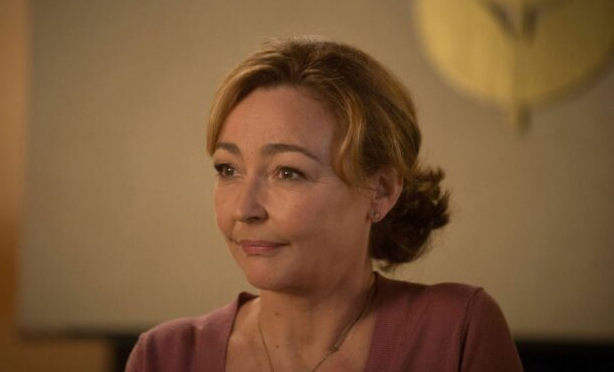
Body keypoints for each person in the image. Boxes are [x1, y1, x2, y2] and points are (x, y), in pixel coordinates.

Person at [126, 37, 523, 371]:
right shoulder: (163, 357)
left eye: (287, 172)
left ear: (381, 191)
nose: (244, 209)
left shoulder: (457, 332)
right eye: (228, 169)